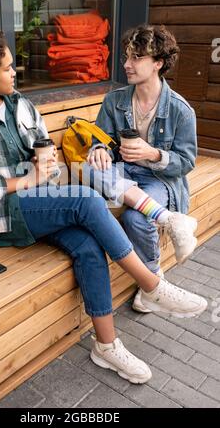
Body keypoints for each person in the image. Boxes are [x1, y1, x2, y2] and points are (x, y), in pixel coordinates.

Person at [0, 28, 207, 386]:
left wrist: (46, 158)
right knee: (86, 198)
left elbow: (41, 144)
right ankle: (151, 284)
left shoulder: (18, 103)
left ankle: (106, 345)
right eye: (7, 68)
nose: (15, 71)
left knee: (88, 243)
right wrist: (27, 180)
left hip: (36, 201)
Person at [83, 24, 198, 313]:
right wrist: (99, 151)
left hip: (160, 179)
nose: (126, 64)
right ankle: (168, 222)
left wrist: (154, 153)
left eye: (136, 58)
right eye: (127, 56)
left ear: (158, 63)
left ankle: (153, 277)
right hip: (122, 174)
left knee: (136, 220)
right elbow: (102, 142)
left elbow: (186, 162)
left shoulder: (180, 110)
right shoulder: (115, 100)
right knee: (87, 169)